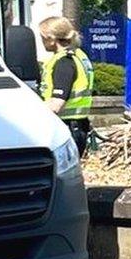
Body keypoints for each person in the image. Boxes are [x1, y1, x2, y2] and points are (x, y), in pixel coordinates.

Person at [39, 16, 95, 156]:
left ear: (52, 39)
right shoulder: (79, 55)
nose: (41, 42)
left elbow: (57, 104)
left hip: (66, 128)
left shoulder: (64, 62)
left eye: (43, 38)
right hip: (78, 126)